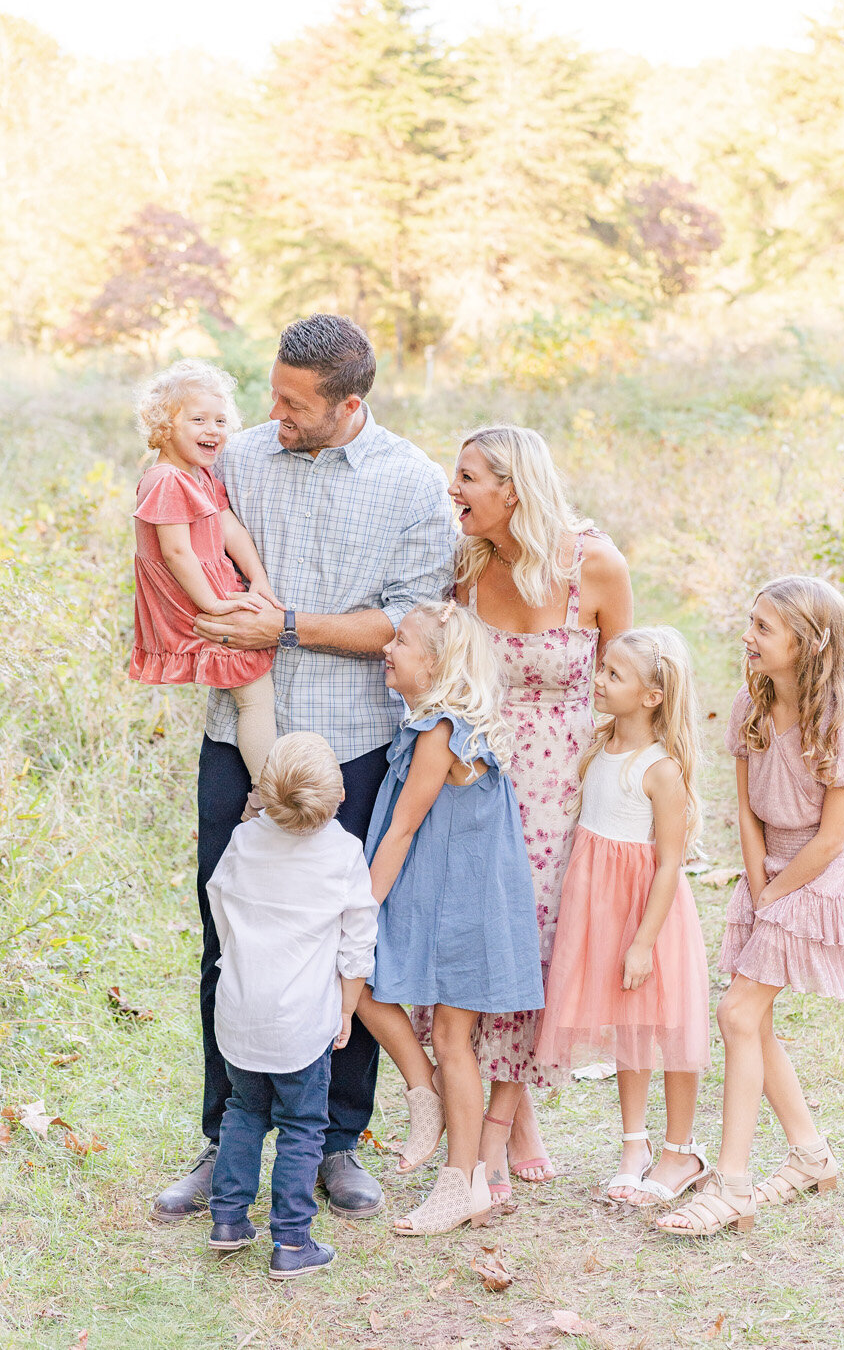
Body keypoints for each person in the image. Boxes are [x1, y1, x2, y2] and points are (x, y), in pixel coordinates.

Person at [151, 315, 455, 1225]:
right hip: (238, 739)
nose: (270, 413)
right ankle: (226, 1135)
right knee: (230, 933)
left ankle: (333, 1141)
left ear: (348, 404)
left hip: (355, 740)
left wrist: (283, 626)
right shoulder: (235, 458)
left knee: (346, 938)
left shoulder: (411, 484)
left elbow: (407, 625)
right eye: (270, 392)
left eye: (292, 403)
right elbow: (169, 521)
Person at [442, 425, 633, 1202]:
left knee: (542, 943)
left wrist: (635, 797)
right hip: (479, 781)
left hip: (564, 788)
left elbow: (631, 683)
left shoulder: (595, 565)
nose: (451, 491)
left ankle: (504, 1118)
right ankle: (507, 1120)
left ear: (512, 489)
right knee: (482, 940)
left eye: (466, 479)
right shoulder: (467, 564)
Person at [658, 575, 844, 1238]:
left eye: (763, 628)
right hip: (769, 874)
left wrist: (779, 896)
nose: (747, 637)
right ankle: (811, 1154)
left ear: (808, 645)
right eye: (750, 622)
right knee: (755, 1022)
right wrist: (756, 886)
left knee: (736, 1010)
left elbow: (832, 839)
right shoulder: (749, 708)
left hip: (817, 880)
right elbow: (749, 812)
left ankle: (731, 1186)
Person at [356, 601, 544, 1235]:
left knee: (449, 1038)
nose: (388, 648)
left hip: (464, 908)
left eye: (401, 641)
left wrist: (360, 912)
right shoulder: (429, 726)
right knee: (365, 989)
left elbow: (403, 828)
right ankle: (424, 1090)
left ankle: (461, 1182)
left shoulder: (442, 733)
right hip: (435, 899)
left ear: (434, 662)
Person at [535, 627, 711, 1207]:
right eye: (601, 669)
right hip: (601, 910)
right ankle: (633, 1145)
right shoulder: (597, 744)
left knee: (671, 1031)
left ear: (652, 696)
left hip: (648, 917)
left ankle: (679, 1148)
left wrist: (642, 942)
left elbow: (668, 865)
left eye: (614, 675)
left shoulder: (660, 769)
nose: (599, 681)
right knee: (630, 1031)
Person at [206, 733, 377, 1279]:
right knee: (304, 1126)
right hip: (303, 1020)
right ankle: (293, 1241)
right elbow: (357, 947)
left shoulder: (243, 841)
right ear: (341, 795)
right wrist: (346, 1011)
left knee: (244, 1112)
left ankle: (229, 1221)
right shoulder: (344, 854)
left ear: (264, 792)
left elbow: (220, 904)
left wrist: (237, 960)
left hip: (239, 1007)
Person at [130, 361, 278, 800]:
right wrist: (214, 605)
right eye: (197, 419)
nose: (212, 429)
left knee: (254, 690)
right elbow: (175, 552)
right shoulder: (165, 480)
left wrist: (259, 579)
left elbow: (228, 525)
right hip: (190, 601)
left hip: (210, 588)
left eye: (219, 420)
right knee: (254, 694)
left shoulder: (200, 474)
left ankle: (266, 786)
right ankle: (267, 793)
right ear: (164, 425)